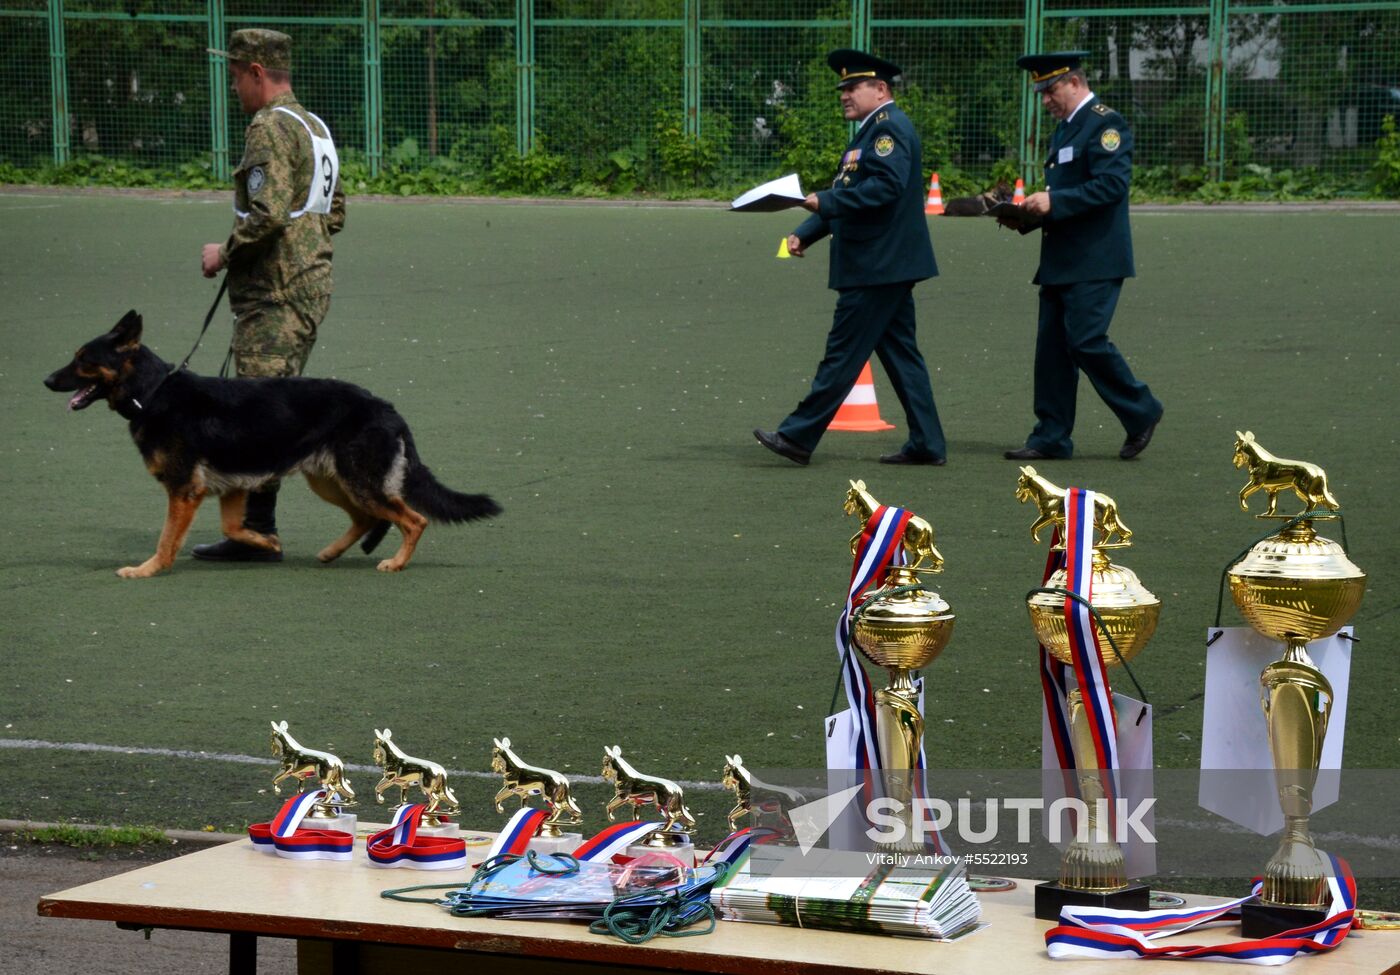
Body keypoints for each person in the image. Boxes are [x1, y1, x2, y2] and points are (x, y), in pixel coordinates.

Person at [194, 29, 346, 561]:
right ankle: (258, 527)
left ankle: (257, 533)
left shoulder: (269, 127)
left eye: (236, 77)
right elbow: (335, 212)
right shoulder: (314, 126)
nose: (234, 88)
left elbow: (267, 214)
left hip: (276, 296)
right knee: (273, 406)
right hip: (309, 287)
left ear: (258, 73)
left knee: (257, 411)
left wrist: (223, 253)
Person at [753, 49, 947, 467]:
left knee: (842, 355)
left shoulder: (887, 128)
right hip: (884, 264)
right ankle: (928, 443)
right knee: (902, 357)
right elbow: (850, 194)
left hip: (877, 265)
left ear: (880, 89)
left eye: (853, 87)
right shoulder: (872, 129)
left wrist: (824, 201)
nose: (844, 94)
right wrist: (807, 231)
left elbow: (885, 188)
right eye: (842, 88)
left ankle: (797, 436)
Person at [1001, 51, 1162, 462]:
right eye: (1040, 93)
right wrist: (1026, 215)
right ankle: (1050, 437)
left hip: (1096, 257)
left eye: (1050, 90)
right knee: (1052, 351)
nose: (1045, 100)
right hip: (1061, 258)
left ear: (1074, 82)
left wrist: (1053, 201)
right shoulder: (1066, 129)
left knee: (1086, 341)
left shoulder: (1106, 124)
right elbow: (1070, 192)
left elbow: (1111, 185)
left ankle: (1142, 410)